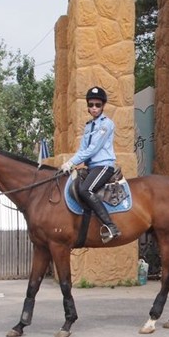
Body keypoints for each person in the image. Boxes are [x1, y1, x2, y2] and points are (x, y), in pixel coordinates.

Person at [60, 86, 121, 243]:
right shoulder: (88, 126)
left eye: (98, 105)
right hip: (91, 167)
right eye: (91, 104)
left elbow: (93, 149)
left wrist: (71, 162)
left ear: (103, 106)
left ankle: (111, 226)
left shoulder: (106, 124)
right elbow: (82, 149)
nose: (94, 108)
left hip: (104, 166)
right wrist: (70, 164)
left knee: (85, 189)